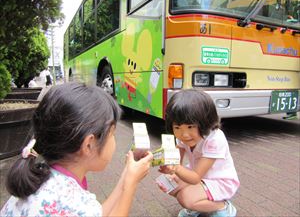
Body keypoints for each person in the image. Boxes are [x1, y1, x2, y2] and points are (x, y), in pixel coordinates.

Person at [0, 82, 153, 217]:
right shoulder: (75, 205)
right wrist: (131, 183)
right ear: (88, 145)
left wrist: (127, 175)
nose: (114, 140)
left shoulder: (38, 176)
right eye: (112, 133)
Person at [157, 89, 240, 217]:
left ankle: (222, 206)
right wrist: (170, 171)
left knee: (186, 198)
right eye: (177, 127)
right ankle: (200, 205)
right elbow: (176, 161)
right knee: (169, 184)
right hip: (200, 176)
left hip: (219, 181)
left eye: (190, 127)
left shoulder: (214, 139)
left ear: (205, 122)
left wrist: (176, 168)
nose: (184, 134)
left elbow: (195, 177)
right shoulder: (183, 136)